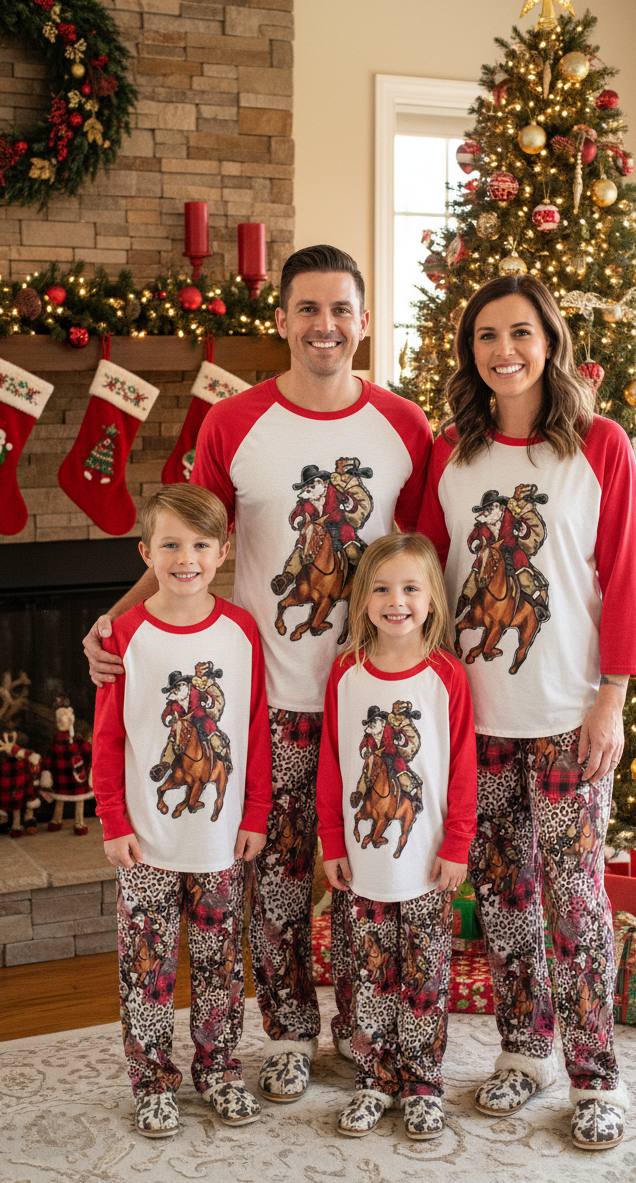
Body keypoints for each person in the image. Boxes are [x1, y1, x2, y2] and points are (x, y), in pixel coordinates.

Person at [83, 245, 433, 1102]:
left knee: (367, 872)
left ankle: (362, 1029)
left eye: (341, 310)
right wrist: (119, 623)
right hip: (266, 697)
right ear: (280, 320)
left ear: (363, 318)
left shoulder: (404, 425)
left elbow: (431, 560)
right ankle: (285, 1032)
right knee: (274, 882)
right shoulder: (233, 423)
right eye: (307, 310)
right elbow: (185, 540)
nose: (325, 326)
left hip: (373, 696)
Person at [417, 275, 636, 1151]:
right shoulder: (451, 452)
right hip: (476, 719)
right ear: (469, 351)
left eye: (519, 332)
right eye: (484, 336)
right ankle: (525, 1051)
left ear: (549, 340)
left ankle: (599, 1077)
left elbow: (622, 579)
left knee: (577, 903)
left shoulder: (599, 446)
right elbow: (427, 581)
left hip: (566, 717)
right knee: (505, 900)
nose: (502, 350)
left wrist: (612, 698)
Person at [92, 484, 272, 1138]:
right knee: (147, 966)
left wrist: (255, 812)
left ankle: (220, 1070)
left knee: (222, 964)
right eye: (170, 545)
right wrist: (112, 818)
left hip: (223, 841)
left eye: (200, 545)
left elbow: (252, 726)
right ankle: (151, 1081)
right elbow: (109, 734)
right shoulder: (124, 634)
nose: (185, 558)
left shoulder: (240, 631)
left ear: (223, 553)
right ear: (147, 553)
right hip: (146, 842)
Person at [317, 533, 477, 1140]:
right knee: (368, 972)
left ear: (432, 599)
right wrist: (332, 840)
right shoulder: (345, 676)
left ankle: (422, 1083)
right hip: (363, 864)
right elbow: (332, 765)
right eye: (382, 588)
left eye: (410, 588)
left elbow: (462, 768)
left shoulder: (446, 678)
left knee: (425, 975)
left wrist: (457, 844)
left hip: (427, 867)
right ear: (362, 600)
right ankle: (374, 1078)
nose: (396, 600)